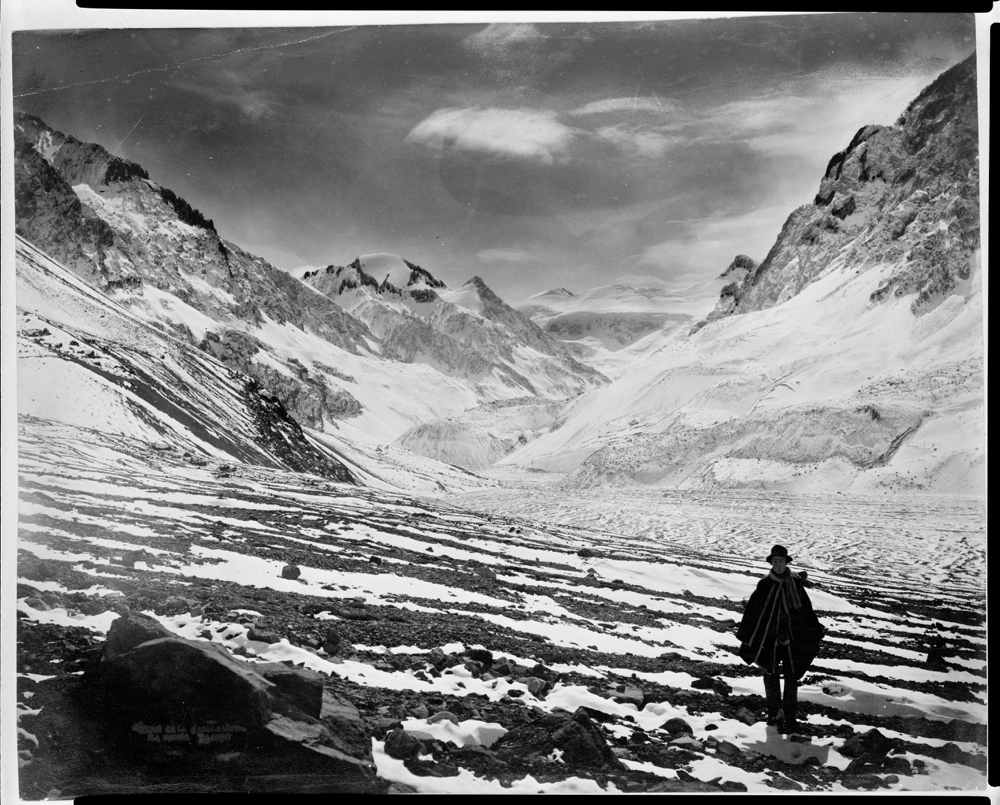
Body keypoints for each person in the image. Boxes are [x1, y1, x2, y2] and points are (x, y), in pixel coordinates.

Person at [736, 545, 824, 733]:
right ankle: (774, 714)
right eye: (775, 562)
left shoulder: (796, 584)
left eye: (781, 561)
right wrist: (747, 636)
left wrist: (814, 633)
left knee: (792, 679)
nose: (778, 565)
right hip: (770, 642)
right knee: (771, 676)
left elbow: (805, 611)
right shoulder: (765, 585)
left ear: (786, 563)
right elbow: (753, 612)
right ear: (771, 563)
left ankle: (791, 717)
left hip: (792, 642)